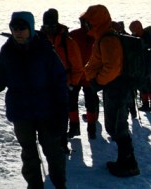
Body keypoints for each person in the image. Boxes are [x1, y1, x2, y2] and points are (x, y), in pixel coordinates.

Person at [0, 11, 68, 189]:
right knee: (28, 153)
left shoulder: (45, 50)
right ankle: (34, 185)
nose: (18, 32)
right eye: (14, 28)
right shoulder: (7, 53)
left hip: (47, 111)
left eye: (22, 28)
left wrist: (61, 114)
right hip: (21, 112)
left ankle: (59, 183)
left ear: (31, 28)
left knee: (53, 151)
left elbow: (60, 83)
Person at [79, 4, 140, 177]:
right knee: (116, 125)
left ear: (96, 21)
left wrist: (98, 81)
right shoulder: (104, 37)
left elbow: (112, 67)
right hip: (115, 87)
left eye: (89, 22)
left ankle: (129, 165)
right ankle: (126, 162)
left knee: (117, 126)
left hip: (116, 88)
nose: (86, 26)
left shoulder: (108, 39)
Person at [42, 9, 85, 151]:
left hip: (63, 85)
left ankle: (61, 143)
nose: (49, 28)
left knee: (61, 115)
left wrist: (71, 84)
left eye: (51, 24)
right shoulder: (39, 40)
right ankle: (52, 141)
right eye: (46, 25)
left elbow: (78, 67)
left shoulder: (67, 42)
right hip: (44, 85)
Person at [69, 10, 100, 140]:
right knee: (91, 102)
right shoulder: (97, 36)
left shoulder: (73, 35)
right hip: (89, 76)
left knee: (71, 101)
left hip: (75, 75)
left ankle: (74, 127)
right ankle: (91, 129)